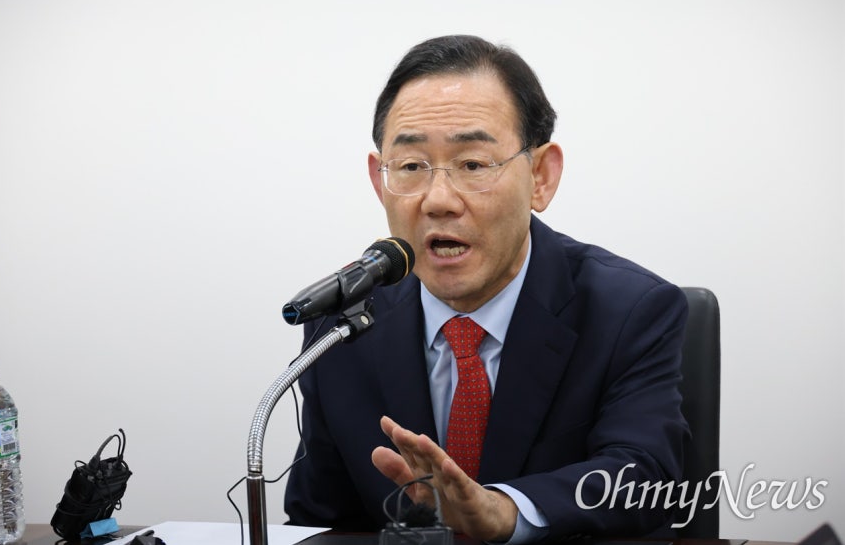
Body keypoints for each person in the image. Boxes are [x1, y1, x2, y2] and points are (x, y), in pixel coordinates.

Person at [284, 34, 689, 542]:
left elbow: (644, 479)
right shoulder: (343, 322)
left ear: (540, 177)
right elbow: (321, 518)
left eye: (473, 165)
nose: (438, 200)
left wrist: (504, 511)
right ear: (378, 180)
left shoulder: (630, 311)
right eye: (410, 167)